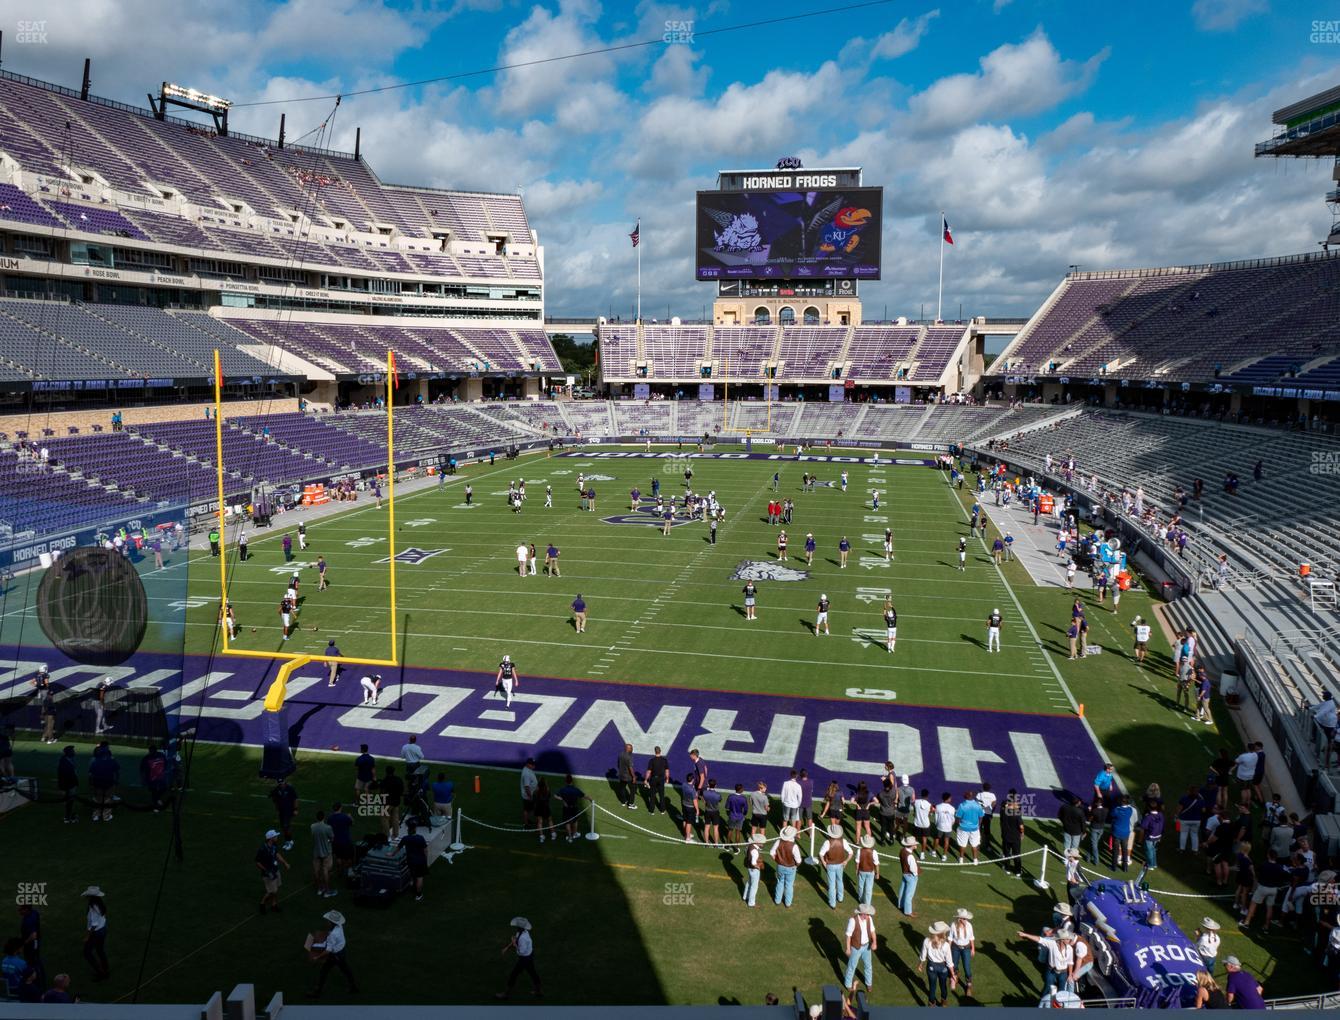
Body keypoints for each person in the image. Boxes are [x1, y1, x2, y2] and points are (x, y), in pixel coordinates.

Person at [310, 909, 358, 996]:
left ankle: (317, 992)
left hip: (335, 955)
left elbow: (328, 950)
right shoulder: (339, 926)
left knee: (324, 971)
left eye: (328, 920)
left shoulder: (333, 934)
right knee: (345, 969)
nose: (327, 921)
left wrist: (317, 957)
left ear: (332, 922)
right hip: (341, 951)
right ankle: (353, 987)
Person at [496, 917, 540, 1000]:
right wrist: (507, 947)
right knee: (533, 973)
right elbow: (516, 940)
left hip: (524, 959)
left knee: (513, 975)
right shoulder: (523, 932)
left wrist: (513, 943)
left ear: (519, 927)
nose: (516, 927)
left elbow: (521, 952)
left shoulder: (523, 938)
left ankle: (506, 995)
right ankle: (538, 992)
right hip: (529, 956)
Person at [843, 903, 878, 994]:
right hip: (856, 947)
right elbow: (848, 935)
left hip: (867, 946)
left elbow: (873, 931)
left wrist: (874, 942)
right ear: (862, 913)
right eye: (867, 914)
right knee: (852, 966)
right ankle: (848, 984)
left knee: (868, 966)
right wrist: (848, 948)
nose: (868, 915)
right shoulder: (853, 921)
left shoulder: (869, 919)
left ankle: (868, 983)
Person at [918, 920, 955, 1006]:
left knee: (932, 987)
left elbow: (923, 955)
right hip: (942, 967)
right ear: (942, 934)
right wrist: (953, 974)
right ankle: (944, 1002)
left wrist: (920, 964)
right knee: (943, 986)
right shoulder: (946, 945)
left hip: (931, 966)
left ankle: (931, 1004)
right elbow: (949, 962)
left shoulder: (927, 941)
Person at [256, 830, 289, 914]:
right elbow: (257, 862)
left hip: (275, 870)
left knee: (276, 889)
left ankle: (274, 905)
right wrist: (266, 870)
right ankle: (262, 903)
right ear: (270, 838)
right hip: (268, 873)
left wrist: (284, 863)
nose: (277, 837)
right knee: (271, 891)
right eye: (275, 836)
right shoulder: (263, 849)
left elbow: (276, 854)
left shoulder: (274, 845)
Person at [80, 887, 109, 981]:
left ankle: (101, 973)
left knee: (87, 952)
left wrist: (87, 936)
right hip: (103, 929)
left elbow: (94, 924)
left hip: (97, 932)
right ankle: (105, 968)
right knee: (100, 949)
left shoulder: (93, 907)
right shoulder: (100, 904)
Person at [771, 825, 801, 907]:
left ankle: (777, 900)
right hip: (791, 868)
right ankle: (788, 903)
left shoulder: (778, 841)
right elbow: (798, 861)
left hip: (780, 866)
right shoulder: (794, 846)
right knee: (789, 885)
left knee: (780, 882)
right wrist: (796, 866)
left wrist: (777, 860)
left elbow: (771, 852)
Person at [949, 908, 976, 994]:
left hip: (966, 948)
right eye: (964, 918)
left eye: (966, 918)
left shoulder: (969, 925)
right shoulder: (953, 925)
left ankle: (968, 985)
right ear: (959, 918)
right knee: (954, 965)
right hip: (955, 947)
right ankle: (954, 978)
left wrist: (973, 948)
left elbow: (971, 937)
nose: (966, 920)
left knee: (967, 968)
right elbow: (950, 938)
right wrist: (948, 949)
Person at [401, 819, 430, 901]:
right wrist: (426, 860)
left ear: (408, 830)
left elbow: (398, 848)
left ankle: (412, 886)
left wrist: (391, 854)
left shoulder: (405, 838)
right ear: (415, 829)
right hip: (420, 861)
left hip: (410, 861)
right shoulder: (420, 838)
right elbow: (425, 850)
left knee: (413, 875)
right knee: (420, 878)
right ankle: (418, 895)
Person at [310, 809, 335, 899]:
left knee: (316, 871)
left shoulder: (312, 826)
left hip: (316, 851)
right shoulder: (328, 827)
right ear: (323, 817)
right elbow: (332, 838)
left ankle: (319, 889)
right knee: (325, 871)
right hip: (326, 852)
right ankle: (327, 890)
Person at [1000, 789, 1025, 876]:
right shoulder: (1017, 814)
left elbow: (1004, 808)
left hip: (1006, 835)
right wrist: (1022, 834)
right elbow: (1021, 827)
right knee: (1016, 853)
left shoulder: (1003, 812)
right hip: (1015, 837)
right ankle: (1018, 871)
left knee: (1007, 853)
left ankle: (1007, 868)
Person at [270, 777, 298, 851]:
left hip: (288, 811)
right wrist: (277, 808)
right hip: (282, 811)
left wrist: (295, 809)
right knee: (283, 827)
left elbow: (295, 799)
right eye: (279, 783)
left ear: (285, 782)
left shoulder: (290, 788)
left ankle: (290, 841)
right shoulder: (277, 789)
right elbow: (275, 800)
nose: (281, 785)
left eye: (282, 783)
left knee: (286, 826)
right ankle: (287, 841)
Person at [557, 774, 586, 842]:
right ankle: (575, 834)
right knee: (575, 821)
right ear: (572, 781)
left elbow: (556, 795)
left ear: (566, 781)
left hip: (566, 808)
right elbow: (583, 796)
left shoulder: (563, 789)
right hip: (574, 808)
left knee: (567, 822)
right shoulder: (575, 789)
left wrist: (562, 799)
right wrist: (591, 800)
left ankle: (569, 837)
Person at [854, 834, 880, 905]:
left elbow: (857, 862)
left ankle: (861, 899)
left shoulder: (859, 851)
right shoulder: (874, 852)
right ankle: (867, 903)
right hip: (870, 872)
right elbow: (876, 864)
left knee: (860, 886)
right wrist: (877, 873)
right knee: (869, 888)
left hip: (861, 871)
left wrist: (856, 870)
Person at [898, 836, 920, 915]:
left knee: (902, 890)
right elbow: (913, 869)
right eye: (914, 844)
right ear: (912, 845)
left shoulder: (902, 851)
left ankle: (900, 905)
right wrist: (916, 875)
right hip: (911, 876)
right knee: (909, 894)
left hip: (904, 873)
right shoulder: (910, 856)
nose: (915, 845)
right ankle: (908, 911)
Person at [644, 746, 670, 814]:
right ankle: (662, 810)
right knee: (661, 795)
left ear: (655, 751)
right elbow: (667, 770)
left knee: (652, 795)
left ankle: (651, 810)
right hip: (661, 779)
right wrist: (667, 778)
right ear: (660, 751)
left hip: (653, 779)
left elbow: (649, 771)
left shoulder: (652, 760)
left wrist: (646, 779)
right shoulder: (664, 760)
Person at [742, 832, 765, 907]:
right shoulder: (755, 851)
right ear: (757, 842)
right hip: (754, 870)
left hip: (749, 868)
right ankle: (751, 903)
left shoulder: (750, 846)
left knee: (749, 882)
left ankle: (745, 897)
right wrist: (758, 867)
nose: (763, 843)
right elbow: (753, 863)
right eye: (762, 842)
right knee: (754, 887)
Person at [57, 744, 79, 823]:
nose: (74, 752)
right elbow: (67, 775)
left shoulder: (66, 760)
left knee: (69, 801)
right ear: (69, 752)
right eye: (73, 751)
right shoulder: (65, 762)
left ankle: (69, 816)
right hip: (69, 785)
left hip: (68, 784)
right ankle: (69, 817)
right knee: (69, 801)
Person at [616, 743, 637, 810]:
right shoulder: (629, 757)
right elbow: (630, 768)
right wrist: (633, 776)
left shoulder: (620, 754)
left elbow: (618, 764)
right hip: (628, 777)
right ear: (628, 749)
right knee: (633, 790)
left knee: (622, 788)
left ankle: (623, 801)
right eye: (631, 748)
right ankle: (631, 804)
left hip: (621, 775)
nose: (632, 749)